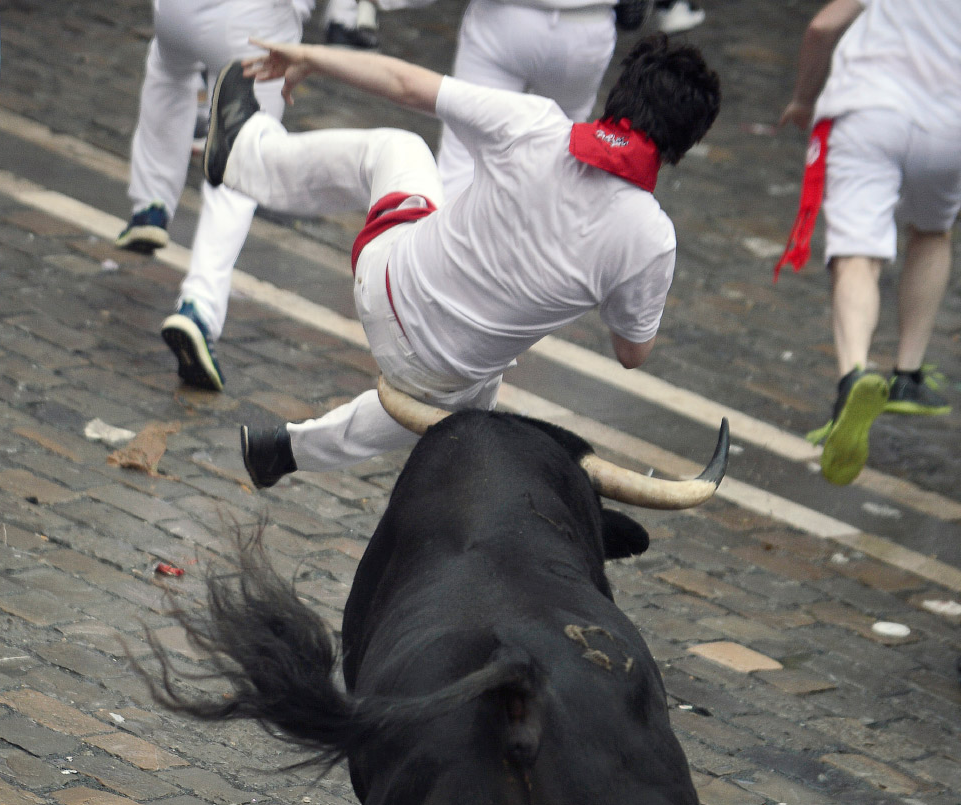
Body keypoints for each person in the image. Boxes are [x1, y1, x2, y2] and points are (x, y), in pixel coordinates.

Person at [198, 35, 720, 488]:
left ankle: (245, 154)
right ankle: (294, 452)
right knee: (474, 382)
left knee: (398, 148)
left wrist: (311, 55)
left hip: (385, 284)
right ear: (682, 145)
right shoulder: (651, 239)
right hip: (438, 376)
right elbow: (632, 353)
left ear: (618, 95)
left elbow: (405, 85)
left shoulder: (535, 125)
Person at [776, 0, 959, 486]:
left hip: (870, 109)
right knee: (933, 233)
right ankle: (909, 373)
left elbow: (822, 26)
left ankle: (855, 371)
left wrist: (803, 96)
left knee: (859, 255)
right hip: (950, 126)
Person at [115, 0, 307, 392]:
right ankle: (198, 308)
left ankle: (151, 203)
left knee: (167, 68)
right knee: (242, 163)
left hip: (177, 12)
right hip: (253, 24)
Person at [436, 0, 623, 200]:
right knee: (559, 156)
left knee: (465, 151)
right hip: (587, 25)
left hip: (505, 19)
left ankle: (448, 217)